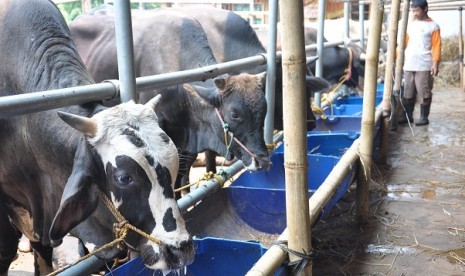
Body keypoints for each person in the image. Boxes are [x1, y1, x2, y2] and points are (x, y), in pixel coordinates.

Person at [399, 0, 441, 126]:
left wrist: (435, 63)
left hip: (424, 64)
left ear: (425, 9)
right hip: (409, 63)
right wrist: (397, 57)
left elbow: (436, 46)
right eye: (413, 10)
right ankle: (408, 116)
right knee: (408, 92)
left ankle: (424, 117)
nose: (414, 13)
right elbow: (403, 43)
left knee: (424, 92)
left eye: (417, 10)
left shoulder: (433, 26)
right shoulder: (410, 25)